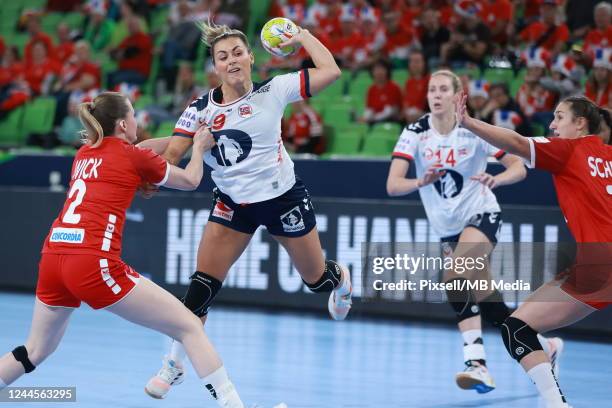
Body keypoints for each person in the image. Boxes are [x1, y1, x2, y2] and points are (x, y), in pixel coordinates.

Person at [0, 91, 275, 408]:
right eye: (133, 115)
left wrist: (181, 137)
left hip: (53, 257)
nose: (137, 120)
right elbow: (190, 179)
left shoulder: (85, 153)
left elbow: (139, 152)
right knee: (188, 326)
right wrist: (197, 147)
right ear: (121, 123)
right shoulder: (132, 156)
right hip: (91, 262)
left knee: (35, 350)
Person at [143, 20, 352, 399]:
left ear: (252, 57)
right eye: (223, 57)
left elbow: (331, 71)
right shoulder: (199, 109)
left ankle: (340, 278)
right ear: (216, 67)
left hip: (282, 198)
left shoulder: (275, 89)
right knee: (201, 287)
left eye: (238, 52)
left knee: (315, 280)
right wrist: (154, 180)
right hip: (232, 204)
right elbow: (174, 153)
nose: (232, 60)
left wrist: (302, 36)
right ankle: (173, 364)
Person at [386, 69, 561, 394]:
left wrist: (497, 179)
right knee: (493, 307)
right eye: (431, 89)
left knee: (454, 277)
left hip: (482, 214)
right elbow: (393, 185)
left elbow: (518, 167)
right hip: (447, 228)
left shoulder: (473, 129)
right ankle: (546, 347)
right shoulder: (415, 131)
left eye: (442, 89)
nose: (435, 95)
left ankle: (476, 363)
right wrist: (418, 181)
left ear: (457, 95)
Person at [455, 93, 612, 408]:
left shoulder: (568, 150)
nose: (552, 125)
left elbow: (514, 141)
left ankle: (557, 404)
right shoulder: (608, 156)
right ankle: (550, 351)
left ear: (580, 124)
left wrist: (469, 122)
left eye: (559, 117)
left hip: (601, 264)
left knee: (517, 327)